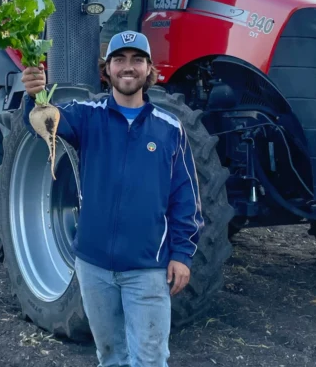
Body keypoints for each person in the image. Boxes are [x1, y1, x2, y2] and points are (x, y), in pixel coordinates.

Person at [21, 30, 203, 367]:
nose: (128, 67)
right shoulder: (87, 116)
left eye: (137, 60)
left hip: (148, 268)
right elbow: (44, 124)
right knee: (110, 356)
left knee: (149, 359)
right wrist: (33, 95)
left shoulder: (169, 128)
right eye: (120, 59)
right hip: (93, 268)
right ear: (108, 70)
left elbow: (185, 198)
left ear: (150, 70)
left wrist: (182, 254)